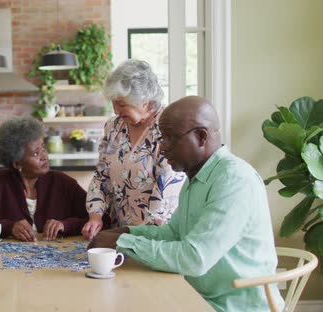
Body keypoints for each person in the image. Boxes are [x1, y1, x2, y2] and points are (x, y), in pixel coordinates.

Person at [88, 96, 284, 312]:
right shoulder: (196, 177)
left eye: (169, 139)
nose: (161, 148)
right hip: (196, 297)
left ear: (201, 137)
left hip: (232, 307)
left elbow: (194, 259)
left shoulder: (234, 180)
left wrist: (124, 242)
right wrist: (127, 232)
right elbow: (174, 233)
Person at [81, 59, 186, 240]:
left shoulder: (168, 127)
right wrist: (95, 215)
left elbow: (165, 189)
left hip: (157, 236)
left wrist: (139, 237)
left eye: (121, 104)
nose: (116, 111)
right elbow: (101, 175)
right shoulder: (113, 127)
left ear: (144, 101)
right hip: (120, 233)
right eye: (113, 103)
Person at [0, 116, 90, 241]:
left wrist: (65, 225)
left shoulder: (62, 182)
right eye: (36, 153)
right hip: (10, 259)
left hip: (59, 255)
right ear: (17, 163)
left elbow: (102, 219)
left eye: (43, 148)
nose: (44, 156)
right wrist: (9, 228)